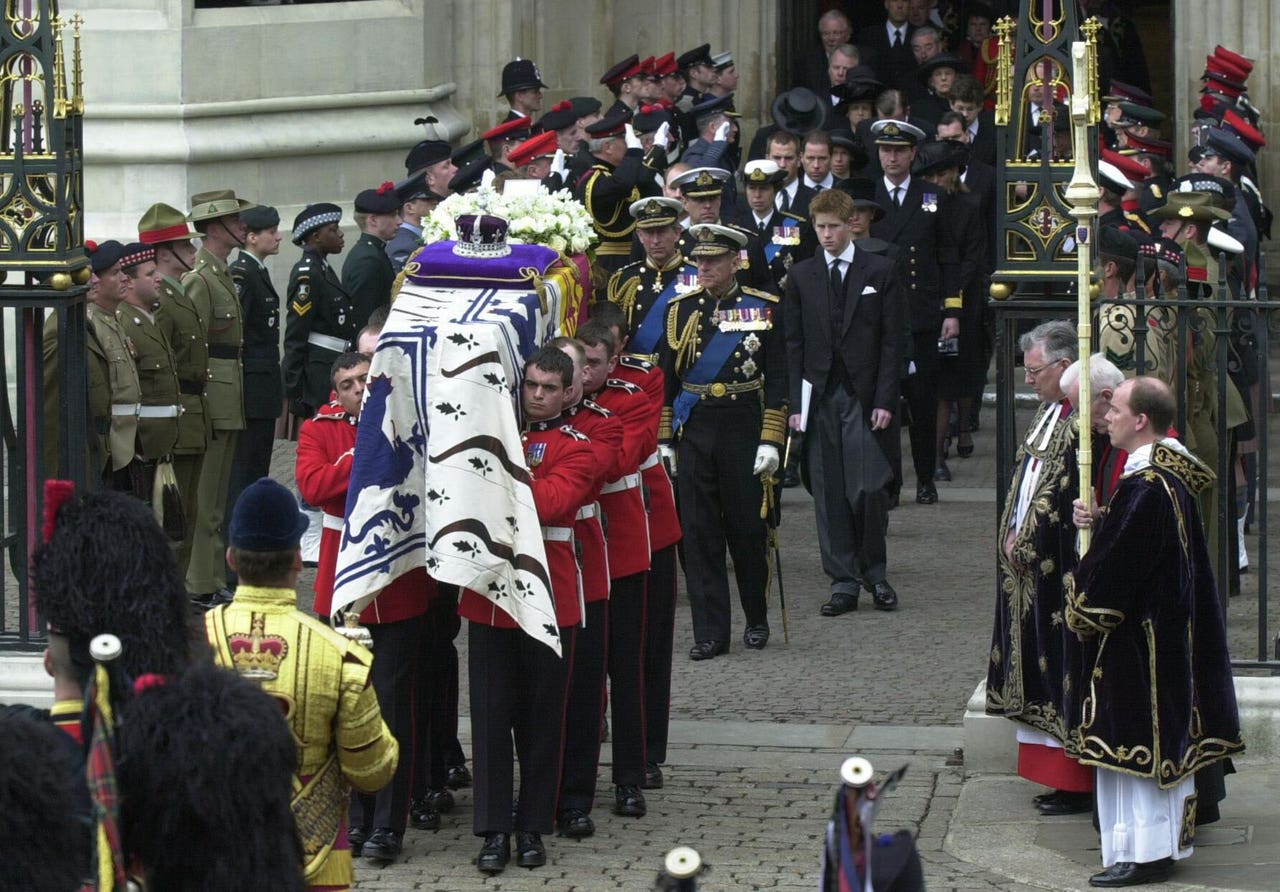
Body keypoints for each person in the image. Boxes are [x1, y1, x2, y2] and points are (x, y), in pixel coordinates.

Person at [1068, 376, 1244, 888]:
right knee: (1142, 756)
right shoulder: (1159, 479)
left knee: (1136, 756)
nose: (1106, 416)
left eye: (1116, 407)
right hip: (1154, 638)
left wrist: (1080, 599)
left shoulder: (1149, 487)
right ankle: (1146, 849)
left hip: (1139, 645)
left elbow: (1119, 571)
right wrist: (1104, 520)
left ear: (1141, 419)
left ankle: (1144, 852)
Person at [204, 476, 399, 889]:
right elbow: (373, 771)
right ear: (298, 558)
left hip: (212, 858)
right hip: (316, 860)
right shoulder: (340, 656)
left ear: (231, 560)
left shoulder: (184, 648)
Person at [296, 351, 437, 866]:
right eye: (347, 383)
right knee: (338, 705)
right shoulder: (321, 429)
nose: (357, 388)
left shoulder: (406, 423)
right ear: (337, 391)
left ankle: (388, 824)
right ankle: (352, 819)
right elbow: (314, 487)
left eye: (364, 380)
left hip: (395, 582)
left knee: (393, 707)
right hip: (340, 583)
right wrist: (367, 453)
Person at [464, 347, 596, 875]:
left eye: (548, 388)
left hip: (549, 591)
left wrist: (497, 487)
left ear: (567, 392)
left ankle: (533, 827)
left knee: (544, 720)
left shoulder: (577, 446)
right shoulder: (498, 437)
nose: (537, 395)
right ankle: (494, 829)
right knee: (492, 720)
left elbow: (554, 503)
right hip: (491, 595)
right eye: (531, 386)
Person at [659, 224, 787, 659]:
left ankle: (756, 616)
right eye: (700, 259)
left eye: (714, 260)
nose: (705, 266)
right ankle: (711, 631)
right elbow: (668, 381)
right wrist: (665, 441)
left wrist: (771, 440)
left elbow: (779, 380)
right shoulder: (679, 310)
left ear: (737, 262)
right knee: (698, 534)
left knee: (747, 530)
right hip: (694, 428)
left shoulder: (762, 308)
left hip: (743, 427)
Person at [985, 320, 1092, 816]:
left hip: (1054, 562)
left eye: (1035, 371)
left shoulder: (1079, 420)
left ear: (1064, 366)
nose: (1028, 379)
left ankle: (1072, 780)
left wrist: (1025, 540)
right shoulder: (1050, 411)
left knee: (1057, 668)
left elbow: (1063, 492)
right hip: (1023, 564)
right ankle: (1050, 774)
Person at [785, 187, 903, 617]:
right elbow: (793, 344)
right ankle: (842, 582)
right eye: (820, 228)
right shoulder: (801, 276)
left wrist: (887, 398)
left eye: (834, 226)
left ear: (852, 224)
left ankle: (875, 573)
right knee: (829, 491)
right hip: (819, 395)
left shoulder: (881, 271)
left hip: (864, 395)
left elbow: (894, 341)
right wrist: (795, 404)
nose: (827, 235)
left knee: (870, 487)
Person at [578, 319, 654, 818]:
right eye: (577, 364)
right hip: (580, 552)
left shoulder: (630, 398)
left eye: (593, 364)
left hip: (620, 544)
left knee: (625, 667)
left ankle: (630, 774)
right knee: (582, 675)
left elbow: (619, 459)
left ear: (612, 361)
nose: (585, 374)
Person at [547, 336, 619, 839]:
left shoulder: (598, 424)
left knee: (583, 687)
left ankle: (575, 796)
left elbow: (596, 474)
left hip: (580, 558)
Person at [869, 118, 960, 505]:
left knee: (922, 401)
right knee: (881, 404)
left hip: (920, 314)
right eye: (885, 150)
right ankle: (887, 481)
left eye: (899, 150)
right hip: (875, 315)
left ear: (912, 154)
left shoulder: (931, 196)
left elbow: (947, 256)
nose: (891, 157)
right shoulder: (865, 196)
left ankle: (926, 476)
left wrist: (951, 309)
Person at [184, 189, 254, 606]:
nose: (243, 226)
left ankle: (211, 580)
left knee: (217, 497)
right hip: (212, 396)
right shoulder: (201, 278)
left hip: (228, 394)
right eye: (236, 219)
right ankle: (201, 583)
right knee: (206, 499)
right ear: (215, 227)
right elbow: (194, 345)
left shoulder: (220, 273)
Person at [140, 202, 209, 574]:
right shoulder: (162, 301)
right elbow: (161, 366)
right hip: (177, 417)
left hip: (192, 414)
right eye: (185, 247)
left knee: (189, 512)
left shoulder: (176, 293)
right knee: (174, 516)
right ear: (164, 253)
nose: (194, 252)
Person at [227, 204, 285, 536]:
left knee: (258, 463)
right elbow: (240, 333)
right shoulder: (243, 275)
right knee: (246, 467)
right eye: (271, 232)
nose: (278, 237)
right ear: (251, 237)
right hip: (251, 386)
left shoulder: (257, 271)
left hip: (262, 385)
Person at [116, 242, 182, 523]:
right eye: (149, 273)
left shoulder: (149, 319)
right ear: (128, 281)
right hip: (144, 447)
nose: (158, 278)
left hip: (164, 444)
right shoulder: (127, 323)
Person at [283, 203, 358, 424]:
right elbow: (296, 331)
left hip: (331, 362)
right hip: (318, 370)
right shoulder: (308, 274)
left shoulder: (322, 267)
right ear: (316, 236)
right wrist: (293, 385)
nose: (340, 234)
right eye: (333, 230)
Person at [576, 106, 665, 289]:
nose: (632, 146)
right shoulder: (594, 179)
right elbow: (622, 186)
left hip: (630, 259)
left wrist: (656, 150)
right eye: (625, 141)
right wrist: (634, 153)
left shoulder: (618, 175)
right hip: (605, 265)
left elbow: (644, 182)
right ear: (608, 147)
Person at [84, 241, 143, 494]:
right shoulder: (92, 323)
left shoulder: (115, 320)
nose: (124, 279)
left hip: (127, 442)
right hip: (110, 447)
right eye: (115, 273)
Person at [342, 184, 401, 331]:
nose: (399, 221)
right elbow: (364, 315)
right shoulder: (368, 260)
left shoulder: (373, 252)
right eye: (393, 215)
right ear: (373, 220)